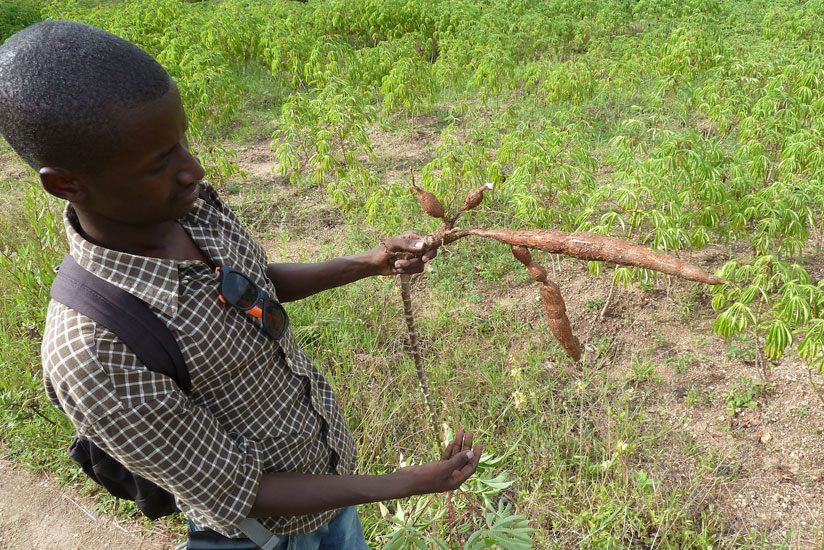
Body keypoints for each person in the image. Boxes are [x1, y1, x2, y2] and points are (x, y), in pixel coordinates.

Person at [0, 20, 482, 548]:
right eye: (160, 162)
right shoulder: (93, 351)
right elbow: (238, 489)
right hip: (261, 536)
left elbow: (253, 285)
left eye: (182, 139)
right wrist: (403, 484)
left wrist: (368, 263)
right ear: (66, 184)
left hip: (334, 498)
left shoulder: (191, 207)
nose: (194, 169)